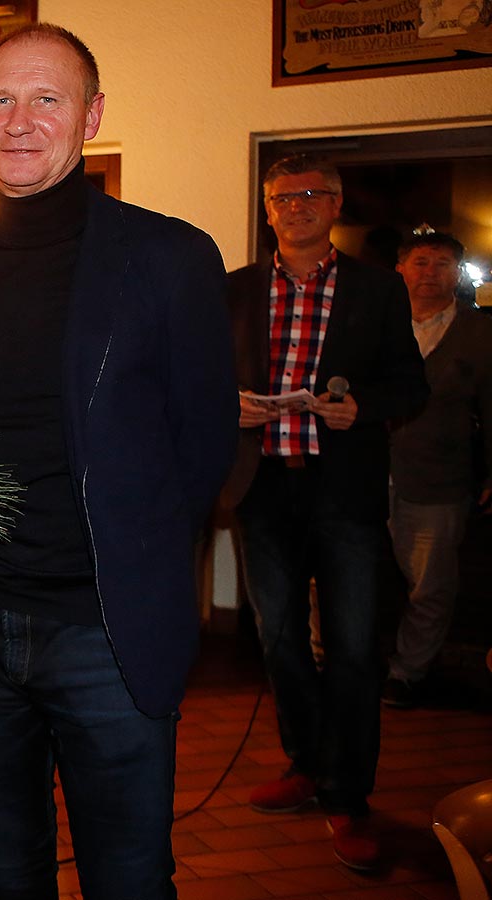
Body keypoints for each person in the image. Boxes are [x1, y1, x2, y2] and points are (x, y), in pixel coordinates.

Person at [0, 24, 238, 900]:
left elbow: (206, 447)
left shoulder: (170, 257)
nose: (19, 120)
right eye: (0, 99)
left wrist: (136, 560)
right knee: (5, 876)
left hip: (106, 631)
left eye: (46, 98)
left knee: (127, 879)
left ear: (91, 117)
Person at [221, 153, 427, 871]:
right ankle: (305, 764)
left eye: (313, 194)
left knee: (350, 648)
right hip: (264, 487)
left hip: (344, 488)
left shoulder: (378, 290)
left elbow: (410, 385)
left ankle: (349, 795)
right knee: (278, 644)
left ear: (335, 205)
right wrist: (230, 405)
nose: (298, 206)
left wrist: (362, 407)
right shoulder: (235, 290)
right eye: (284, 196)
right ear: (269, 209)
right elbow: (201, 378)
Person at [384, 231, 492, 708]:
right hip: (363, 476)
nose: (430, 273)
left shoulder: (480, 334)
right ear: (401, 269)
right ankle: (332, 665)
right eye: (421, 262)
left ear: (458, 273)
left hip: (440, 481)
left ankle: (406, 672)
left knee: (430, 585)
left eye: (442, 264)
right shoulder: (375, 325)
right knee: (341, 575)